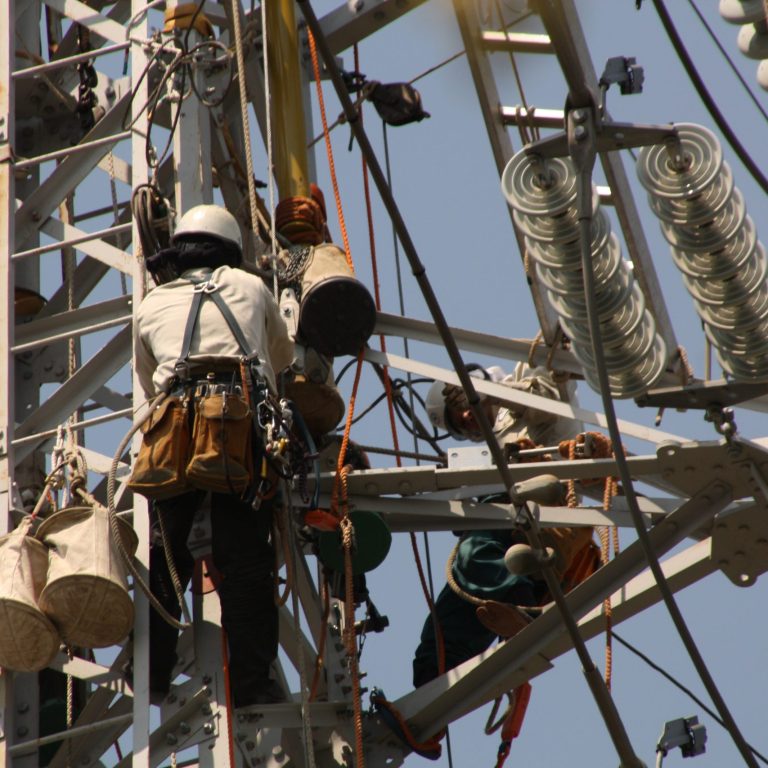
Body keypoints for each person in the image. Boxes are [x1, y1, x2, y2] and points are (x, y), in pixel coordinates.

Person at [133, 204, 294, 707]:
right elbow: (281, 358)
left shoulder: (151, 303)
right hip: (236, 429)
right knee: (246, 561)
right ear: (231, 251)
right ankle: (251, 684)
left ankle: (153, 678)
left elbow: (147, 380)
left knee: (164, 560)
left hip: (170, 434)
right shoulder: (249, 288)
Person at [413, 363, 594, 688]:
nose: (468, 420)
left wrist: (490, 393)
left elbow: (547, 406)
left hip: (541, 518)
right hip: (504, 544)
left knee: (474, 553)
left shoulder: (531, 390)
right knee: (443, 626)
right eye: (460, 425)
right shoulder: (495, 446)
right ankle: (427, 694)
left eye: (462, 408)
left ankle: (521, 609)